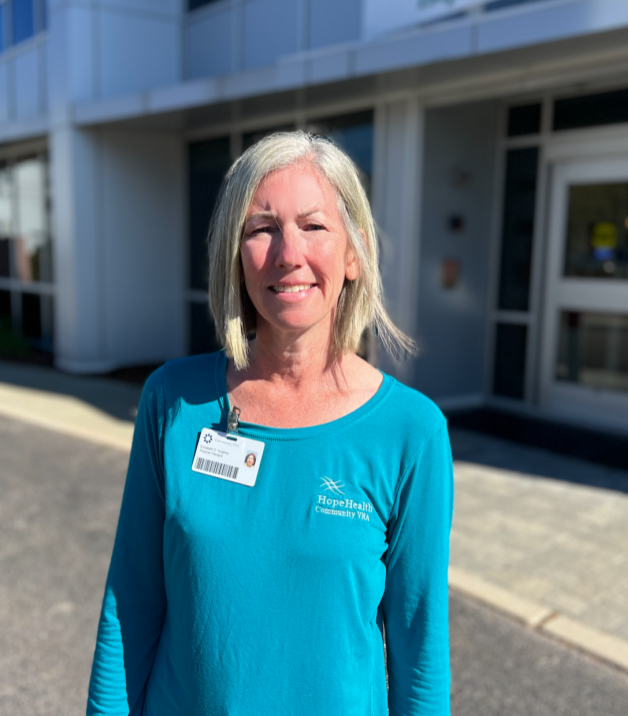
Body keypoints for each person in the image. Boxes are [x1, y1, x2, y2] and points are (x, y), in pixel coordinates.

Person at [86, 132, 454, 716]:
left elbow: (419, 649)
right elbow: (130, 602)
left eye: (314, 226)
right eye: (261, 229)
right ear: (235, 254)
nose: (288, 253)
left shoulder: (411, 433)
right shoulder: (173, 401)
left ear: (354, 254)